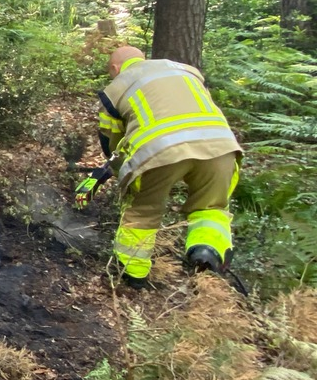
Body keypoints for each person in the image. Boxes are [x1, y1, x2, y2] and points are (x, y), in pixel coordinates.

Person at [75, 46, 242, 289]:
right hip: (221, 147)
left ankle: (133, 276)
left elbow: (111, 140)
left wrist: (118, 168)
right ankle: (206, 252)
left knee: (142, 212)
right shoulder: (186, 71)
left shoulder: (115, 88)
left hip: (159, 152)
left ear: (115, 68)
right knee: (211, 207)